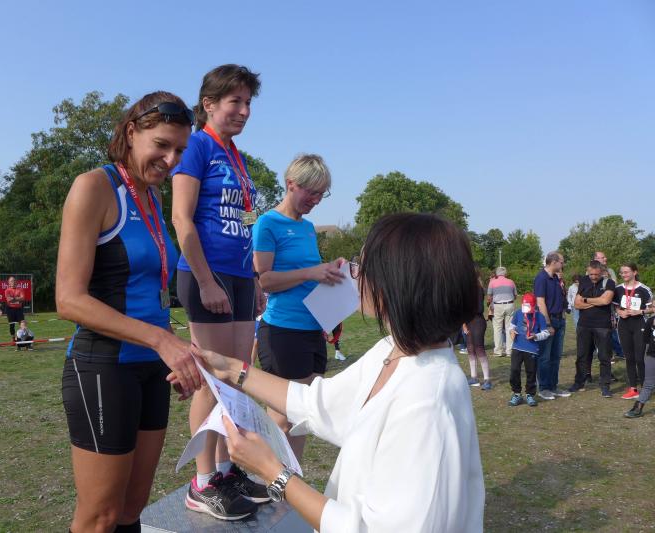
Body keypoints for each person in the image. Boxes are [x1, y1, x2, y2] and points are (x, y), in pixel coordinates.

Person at [189, 213, 485, 531]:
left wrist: (275, 473)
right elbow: (315, 402)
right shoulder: (393, 349)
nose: (355, 275)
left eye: (361, 266)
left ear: (396, 285)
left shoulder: (426, 400)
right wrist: (232, 368)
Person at [56, 91, 201, 533]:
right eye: (161, 145)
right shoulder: (94, 187)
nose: (170, 160)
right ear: (132, 132)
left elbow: (146, 292)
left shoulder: (150, 196)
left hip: (151, 369)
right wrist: (161, 341)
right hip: (104, 366)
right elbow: (68, 299)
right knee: (99, 516)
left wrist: (178, 350)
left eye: (179, 150)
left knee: (132, 509)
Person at [171, 64, 267, 519]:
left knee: (238, 378)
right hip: (206, 274)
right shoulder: (196, 146)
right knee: (213, 379)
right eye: (235, 101)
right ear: (208, 104)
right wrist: (207, 281)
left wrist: (255, 278)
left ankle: (228, 468)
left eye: (248, 103)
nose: (244, 111)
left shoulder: (237, 157)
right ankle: (203, 479)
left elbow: (247, 220)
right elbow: (182, 218)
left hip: (241, 276)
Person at [252, 153, 345, 461]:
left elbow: (309, 274)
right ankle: (272, 480)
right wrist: (310, 272)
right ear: (291, 184)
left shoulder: (307, 228)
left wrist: (331, 272)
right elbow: (265, 280)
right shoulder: (267, 223)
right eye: (312, 192)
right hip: (283, 331)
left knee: (302, 418)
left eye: (321, 194)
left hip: (312, 330)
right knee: (282, 419)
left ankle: (292, 481)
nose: (316, 200)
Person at [569, 260, 616, 397]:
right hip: (584, 324)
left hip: (603, 326)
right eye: (591, 274)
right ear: (588, 272)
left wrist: (586, 300)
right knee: (582, 355)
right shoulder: (584, 281)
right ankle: (579, 382)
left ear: (601, 272)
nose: (593, 277)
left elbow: (606, 301)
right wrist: (597, 301)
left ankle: (605, 385)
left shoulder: (609, 283)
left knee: (604, 356)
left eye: (596, 274)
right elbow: (576, 304)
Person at [533, 252, 571, 400]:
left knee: (556, 356)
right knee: (545, 356)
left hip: (560, 320)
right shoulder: (541, 278)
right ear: (554, 262)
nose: (563, 264)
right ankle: (543, 388)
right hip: (548, 321)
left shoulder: (556, 278)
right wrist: (547, 324)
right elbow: (540, 302)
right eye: (562, 262)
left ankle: (553, 386)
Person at [613, 263, 652, 400]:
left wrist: (640, 311)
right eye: (621, 272)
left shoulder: (644, 289)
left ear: (634, 272)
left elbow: (652, 308)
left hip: (639, 324)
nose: (623, 275)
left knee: (640, 358)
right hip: (623, 325)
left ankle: (645, 388)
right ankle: (633, 389)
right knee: (629, 358)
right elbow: (615, 306)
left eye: (626, 272)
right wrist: (620, 312)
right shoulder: (618, 289)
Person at [507, 293, 550, 407]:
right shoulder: (518, 313)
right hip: (517, 347)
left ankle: (530, 394)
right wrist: (512, 331)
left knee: (531, 372)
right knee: (514, 370)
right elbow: (511, 326)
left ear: (534, 306)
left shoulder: (540, 316)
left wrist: (536, 336)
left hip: (532, 349)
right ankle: (517, 394)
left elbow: (546, 333)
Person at [464, 266, 491, 390]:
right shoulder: (467, 289)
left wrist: (466, 311)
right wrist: (464, 323)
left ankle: (487, 380)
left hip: (477, 321)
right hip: (469, 321)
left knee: (479, 348)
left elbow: (479, 308)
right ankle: (474, 377)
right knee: (470, 349)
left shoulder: (478, 288)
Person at [625, 310, 655, 418]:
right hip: (652, 355)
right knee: (648, 384)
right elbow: (646, 339)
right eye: (654, 306)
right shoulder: (650, 320)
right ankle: (638, 408)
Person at [487, 266, 517, 356]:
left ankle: (498, 351)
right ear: (505, 274)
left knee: (497, 328)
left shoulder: (492, 282)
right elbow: (515, 296)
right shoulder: (511, 282)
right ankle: (509, 351)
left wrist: (490, 304)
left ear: (497, 274)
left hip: (497, 306)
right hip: (510, 304)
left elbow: (489, 297)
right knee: (509, 327)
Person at [4, 276, 25, 340]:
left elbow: (22, 298)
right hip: (10, 309)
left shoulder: (20, 289)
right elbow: (9, 300)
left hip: (19, 309)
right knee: (12, 325)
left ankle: (22, 337)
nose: (13, 282)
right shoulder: (7, 290)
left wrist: (13, 299)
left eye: (14, 280)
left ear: (16, 282)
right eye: (11, 281)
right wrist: (18, 299)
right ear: (9, 283)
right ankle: (13, 338)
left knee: (22, 323)